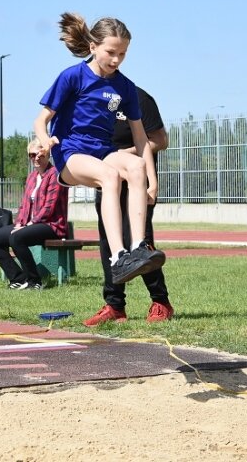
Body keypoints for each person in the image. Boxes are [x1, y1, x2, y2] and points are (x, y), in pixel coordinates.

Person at [33, 12, 165, 295]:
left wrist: (152, 180)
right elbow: (40, 120)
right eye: (111, 52)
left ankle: (138, 249)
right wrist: (45, 141)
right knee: (110, 175)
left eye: (123, 54)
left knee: (135, 167)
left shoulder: (125, 87)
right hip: (70, 152)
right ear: (93, 46)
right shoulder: (73, 77)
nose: (116, 60)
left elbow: (141, 139)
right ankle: (118, 257)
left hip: (103, 150)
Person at [87, 87, 173, 326]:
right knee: (109, 243)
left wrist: (120, 155)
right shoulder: (92, 99)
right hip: (108, 181)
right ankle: (114, 305)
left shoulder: (139, 98)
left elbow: (158, 140)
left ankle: (161, 302)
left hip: (136, 182)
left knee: (139, 244)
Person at [0, 138, 69, 290]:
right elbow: (23, 206)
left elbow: (48, 208)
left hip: (52, 225)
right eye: (32, 155)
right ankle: (18, 278)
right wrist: (18, 224)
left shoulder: (55, 174)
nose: (36, 158)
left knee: (16, 237)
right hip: (30, 225)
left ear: (47, 155)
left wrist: (29, 225)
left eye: (40, 155)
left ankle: (35, 281)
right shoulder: (31, 177)